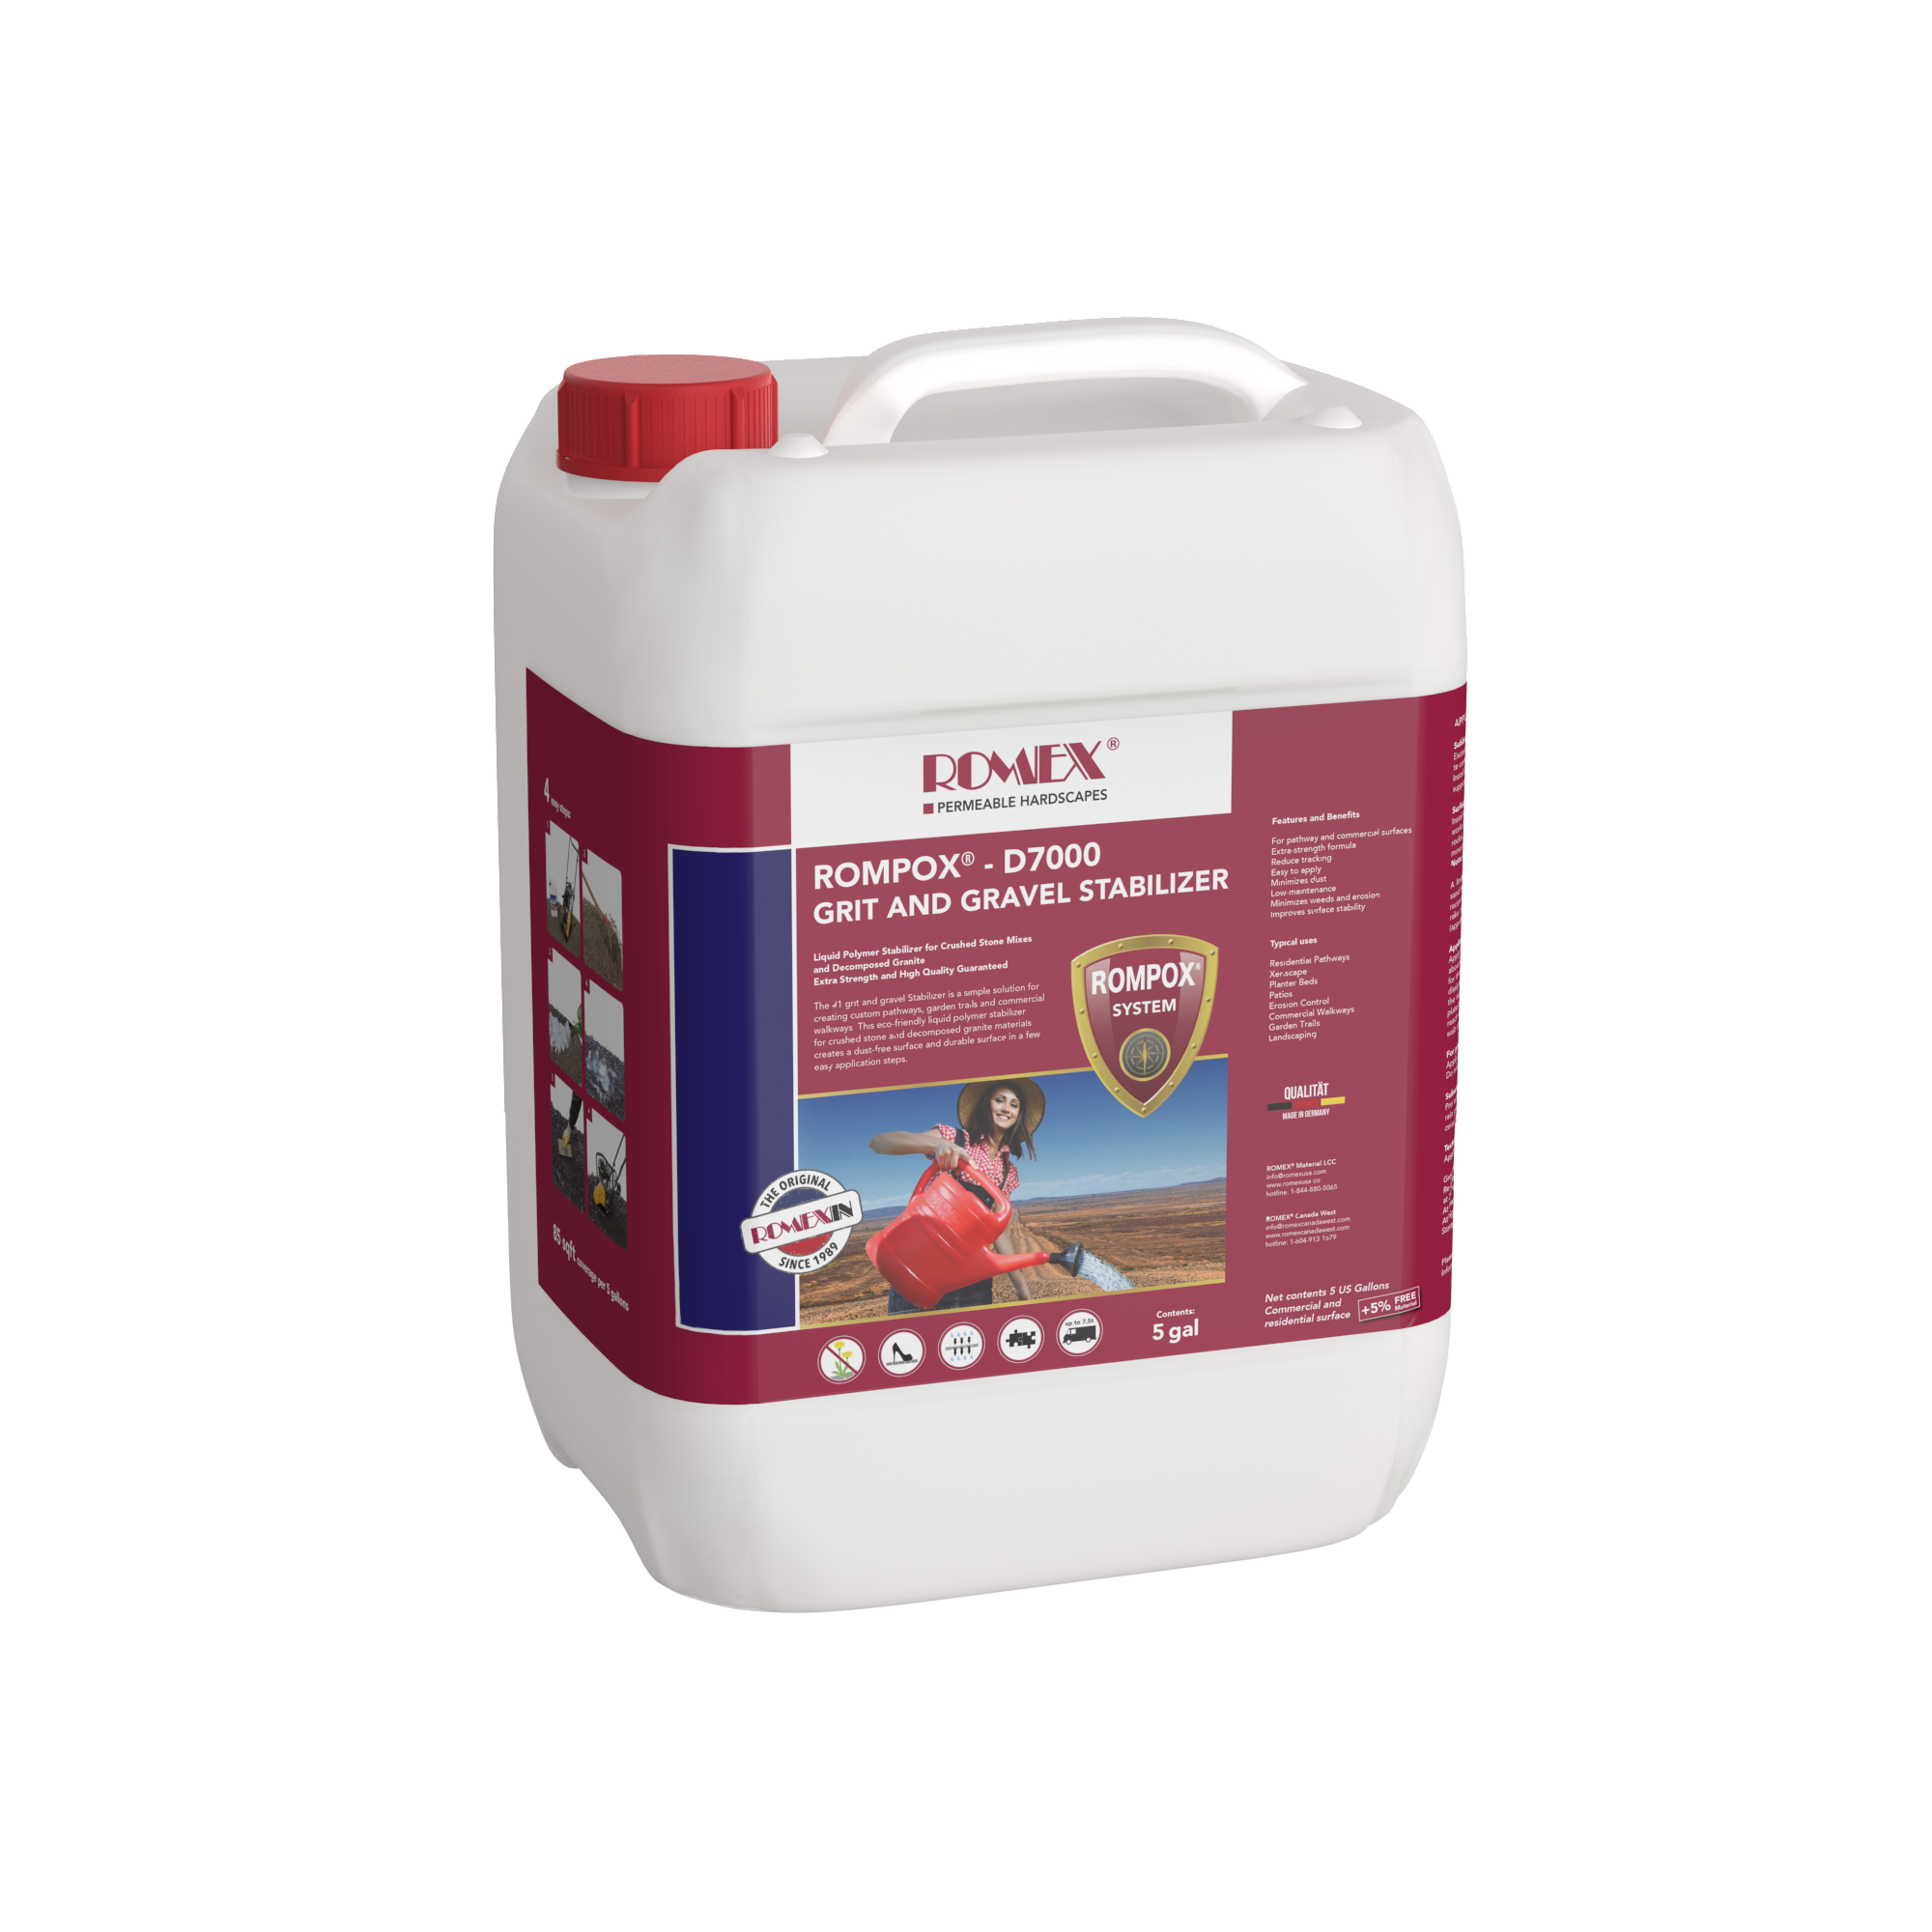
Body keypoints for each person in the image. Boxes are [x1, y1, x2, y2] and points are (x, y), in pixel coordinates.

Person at [867, 1078, 1046, 1313]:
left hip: (973, 1282)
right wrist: (937, 1145)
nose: (1006, 1108)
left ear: (1018, 1115)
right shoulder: (954, 1138)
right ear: (986, 1104)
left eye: (1014, 1104)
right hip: (919, 1268)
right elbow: (879, 1143)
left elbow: (998, 1231)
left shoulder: (1007, 1171)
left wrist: (1020, 1285)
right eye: (999, 1100)